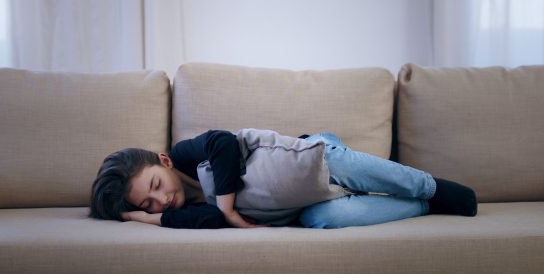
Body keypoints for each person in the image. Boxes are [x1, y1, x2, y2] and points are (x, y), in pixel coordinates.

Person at [89, 130, 478, 229]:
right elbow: (209, 221)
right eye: (148, 205)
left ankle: (431, 187)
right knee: (321, 221)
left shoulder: (188, 153)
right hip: (303, 205)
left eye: (156, 186)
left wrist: (226, 205)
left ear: (164, 160)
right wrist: (142, 219)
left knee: (330, 158)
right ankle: (424, 205)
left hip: (306, 159)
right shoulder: (189, 213)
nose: (162, 201)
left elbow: (223, 143)